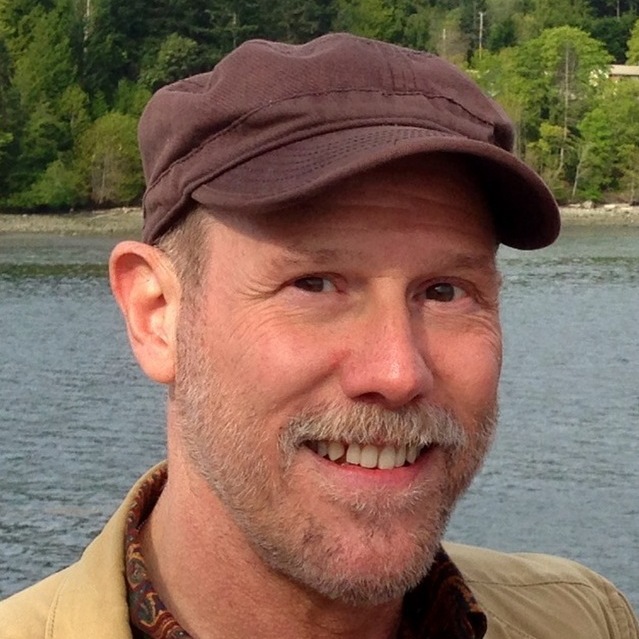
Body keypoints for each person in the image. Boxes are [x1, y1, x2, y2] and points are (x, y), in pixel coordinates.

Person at [1, 33, 637, 639]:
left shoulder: (583, 620)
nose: (397, 372)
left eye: (445, 292)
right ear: (156, 314)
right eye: (315, 284)